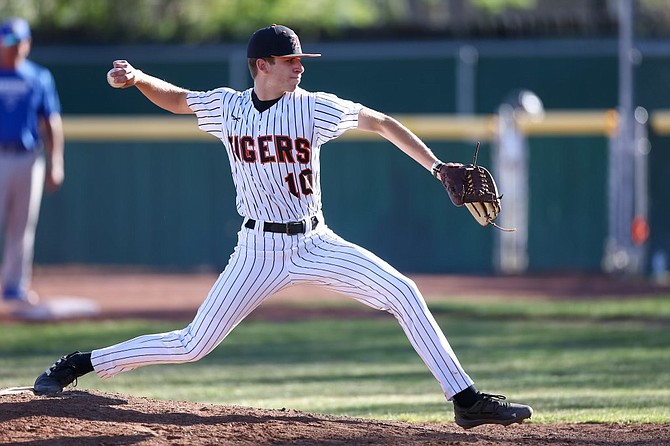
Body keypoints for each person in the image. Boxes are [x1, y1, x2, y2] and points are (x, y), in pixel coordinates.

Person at [33, 24, 532, 429]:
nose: (299, 67)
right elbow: (179, 99)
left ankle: (465, 400)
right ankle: (82, 363)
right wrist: (140, 77)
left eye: (300, 61)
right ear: (261, 66)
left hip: (315, 240)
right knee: (192, 344)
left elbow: (380, 122)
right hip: (256, 249)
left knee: (403, 291)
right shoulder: (229, 107)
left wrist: (438, 166)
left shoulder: (313, 107)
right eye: (290, 60)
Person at [0, 17, 64, 307]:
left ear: (28, 43)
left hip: (27, 157)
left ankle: (14, 286)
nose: (13, 47)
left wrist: (56, 161)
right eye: (8, 41)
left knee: (22, 224)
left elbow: (50, 120)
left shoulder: (38, 76)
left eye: (19, 41)